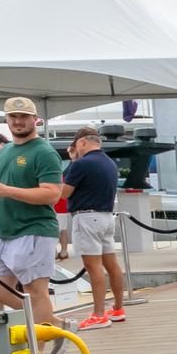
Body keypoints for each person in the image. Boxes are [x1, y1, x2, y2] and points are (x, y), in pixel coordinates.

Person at [0, 97, 63, 354]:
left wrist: (5, 191)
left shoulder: (44, 152)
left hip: (34, 230)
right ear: (7, 120)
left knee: (34, 290)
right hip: (3, 233)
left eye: (23, 116)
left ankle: (39, 352)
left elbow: (52, 194)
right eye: (12, 117)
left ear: (35, 119)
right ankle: (54, 325)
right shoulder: (4, 152)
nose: (18, 121)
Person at [61, 128, 126, 330]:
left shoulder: (81, 164)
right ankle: (117, 308)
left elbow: (64, 193)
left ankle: (98, 314)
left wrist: (71, 162)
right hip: (106, 216)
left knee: (93, 266)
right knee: (111, 264)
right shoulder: (109, 163)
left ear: (81, 143)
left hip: (86, 217)